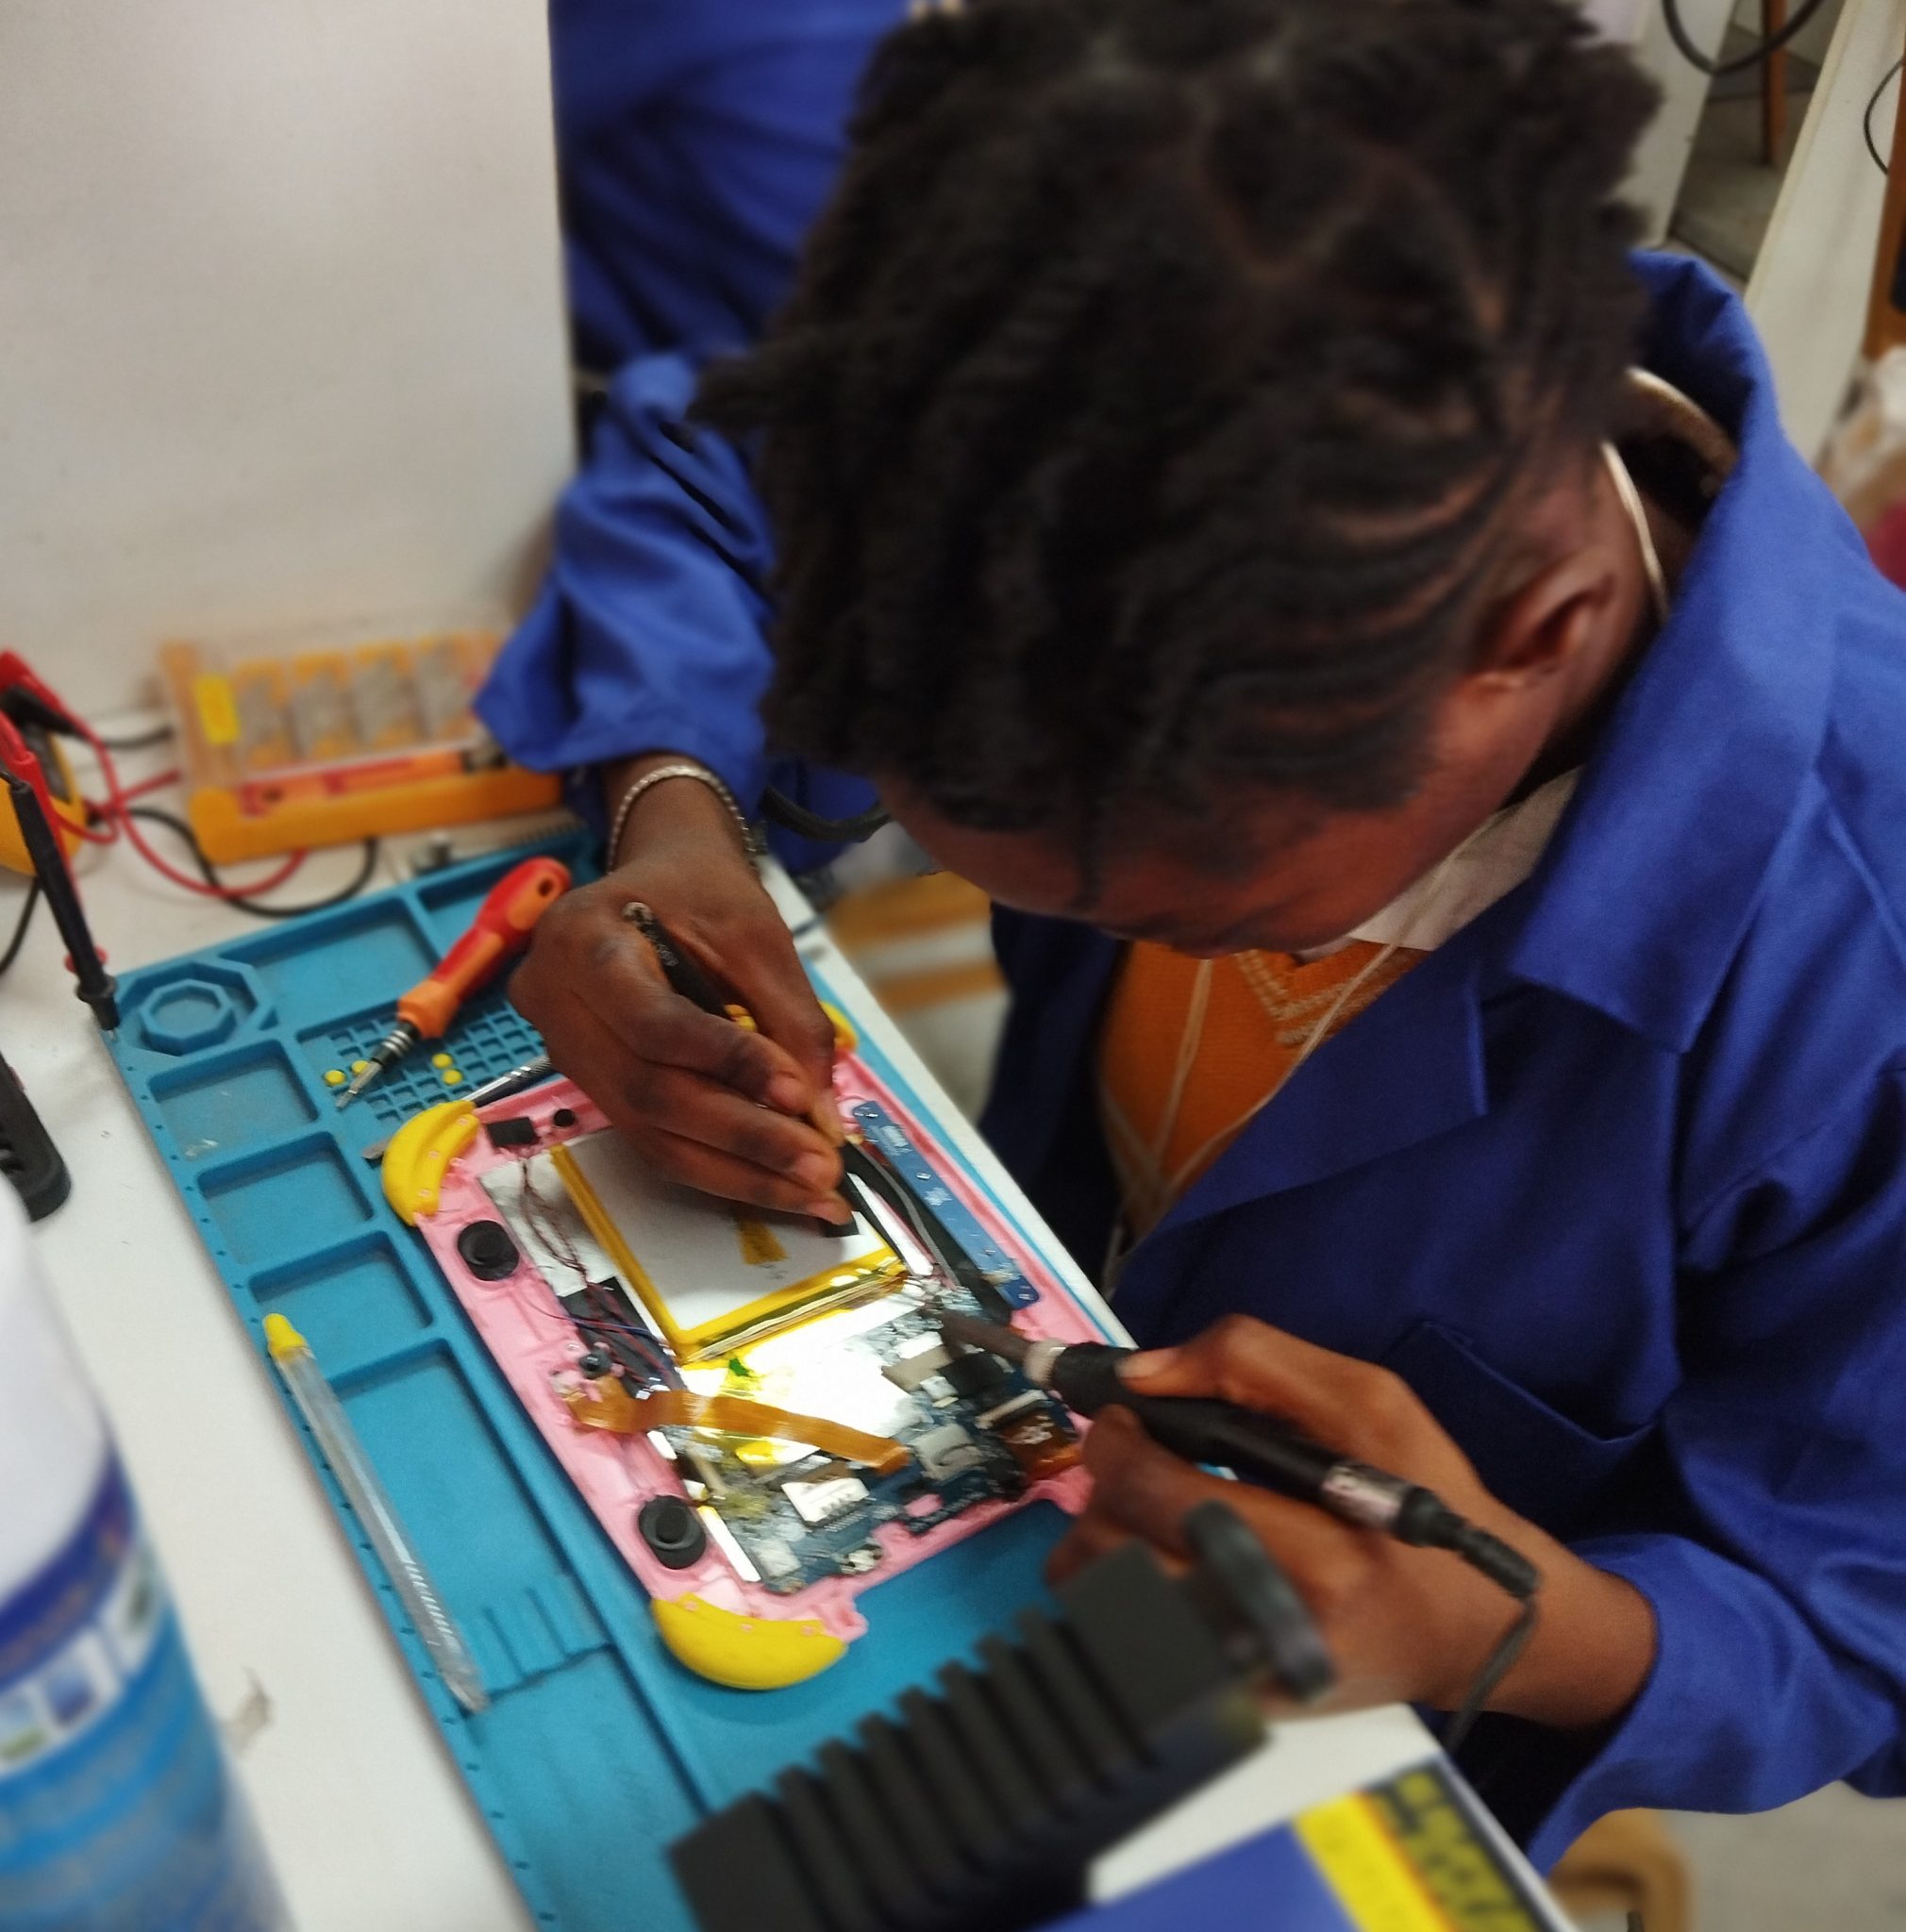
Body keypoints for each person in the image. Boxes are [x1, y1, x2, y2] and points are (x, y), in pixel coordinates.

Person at [492, 0, 1906, 1868]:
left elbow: (1854, 1622)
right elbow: (705, 477)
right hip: (1018, 1436)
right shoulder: (1092, 358)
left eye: (1187, 914)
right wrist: (679, 814)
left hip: (1329, 1705)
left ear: (1532, 636)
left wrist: (1505, 1622)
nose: (1108, 945)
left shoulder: (1858, 975)